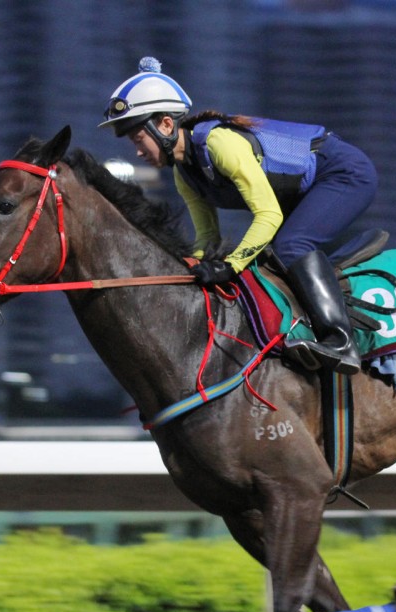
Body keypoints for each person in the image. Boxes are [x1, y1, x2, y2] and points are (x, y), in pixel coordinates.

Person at [100, 57, 378, 376]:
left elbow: (268, 215)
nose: (137, 151)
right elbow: (207, 238)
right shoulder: (183, 174)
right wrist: (192, 267)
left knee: (290, 245)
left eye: (138, 139)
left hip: (344, 173)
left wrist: (230, 265)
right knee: (267, 257)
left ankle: (341, 343)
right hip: (304, 191)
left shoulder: (220, 144)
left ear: (164, 124)